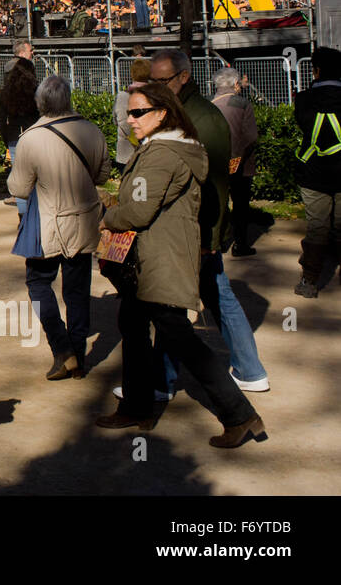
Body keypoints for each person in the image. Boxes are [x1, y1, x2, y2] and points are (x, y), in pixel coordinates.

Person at [96, 83, 266, 448]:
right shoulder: (168, 148)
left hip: (158, 259)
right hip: (156, 257)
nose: (130, 118)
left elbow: (139, 210)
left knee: (179, 336)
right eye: (129, 111)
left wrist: (109, 217)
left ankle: (239, 414)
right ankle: (138, 406)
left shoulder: (162, 154)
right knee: (135, 322)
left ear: (162, 113)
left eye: (138, 112)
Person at [148, 49, 269, 393]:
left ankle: (162, 382)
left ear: (183, 77)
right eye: (152, 81)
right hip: (200, 228)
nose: (156, 87)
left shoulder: (194, 117)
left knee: (172, 306)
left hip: (193, 229)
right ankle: (249, 369)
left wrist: (204, 237)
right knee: (213, 295)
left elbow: (204, 183)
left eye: (162, 81)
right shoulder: (193, 112)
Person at [7, 75, 110, 381]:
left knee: (39, 283)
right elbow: (102, 175)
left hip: (48, 223)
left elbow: (20, 189)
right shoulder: (91, 130)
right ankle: (78, 354)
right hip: (85, 219)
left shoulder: (31, 138)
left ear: (40, 103)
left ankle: (62, 349)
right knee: (77, 291)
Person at [292, 45, 341, 298]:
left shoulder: (303, 100)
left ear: (316, 70)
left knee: (317, 227)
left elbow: (304, 123)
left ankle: (309, 281)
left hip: (313, 173)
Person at [212, 67, 259, 257]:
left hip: (214, 162)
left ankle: (219, 242)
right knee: (240, 205)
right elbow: (250, 136)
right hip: (240, 163)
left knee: (217, 203)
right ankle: (240, 244)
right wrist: (237, 157)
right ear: (235, 85)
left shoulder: (209, 103)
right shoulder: (242, 104)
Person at [0, 42, 39, 209]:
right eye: (31, 51)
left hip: (15, 132)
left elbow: (2, 118)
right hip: (25, 132)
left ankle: (22, 208)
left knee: (19, 170)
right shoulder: (32, 90)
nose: (34, 53)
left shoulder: (6, 94)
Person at [113, 58, 151, 175]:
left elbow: (116, 121)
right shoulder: (155, 96)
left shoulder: (121, 97)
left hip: (125, 154)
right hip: (149, 152)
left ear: (132, 74)